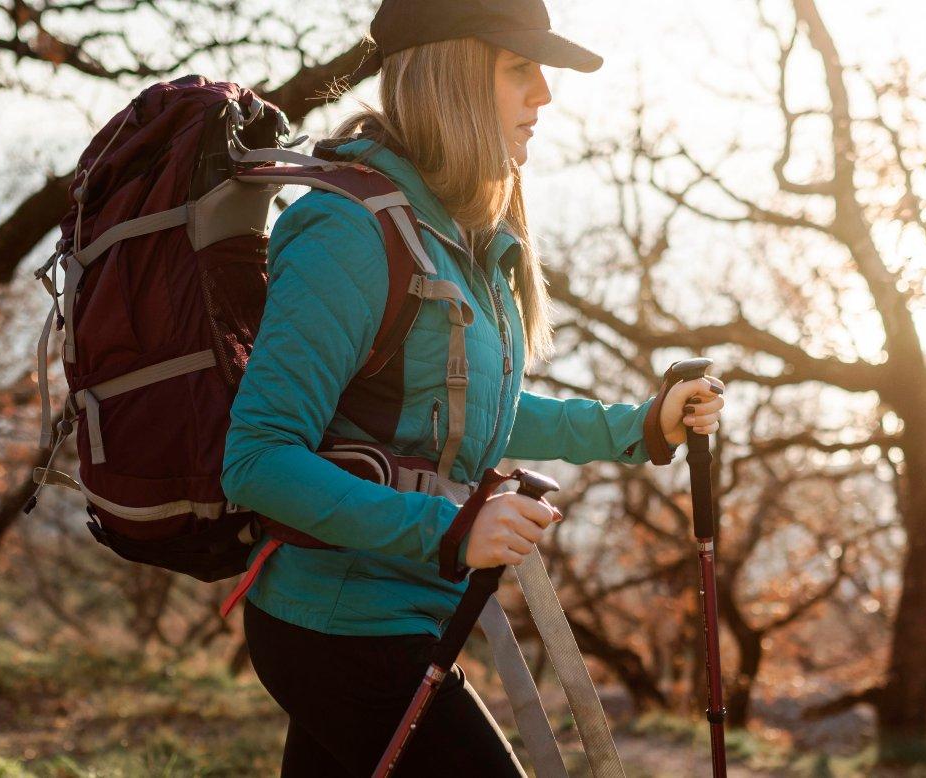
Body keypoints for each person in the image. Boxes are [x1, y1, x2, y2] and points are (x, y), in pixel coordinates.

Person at [220, 0, 726, 774]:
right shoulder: (348, 234)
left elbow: (472, 415)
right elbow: (257, 459)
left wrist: (640, 427)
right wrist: (450, 530)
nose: (545, 96)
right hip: (339, 624)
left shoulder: (455, 233)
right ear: (453, 74)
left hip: (405, 616)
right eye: (520, 68)